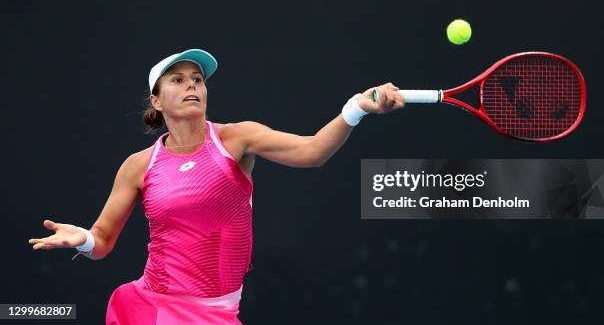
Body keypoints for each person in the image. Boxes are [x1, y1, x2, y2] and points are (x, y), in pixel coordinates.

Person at [28, 48, 405, 324]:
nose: (192, 85)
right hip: (151, 307)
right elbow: (102, 242)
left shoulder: (236, 140)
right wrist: (84, 240)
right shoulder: (139, 166)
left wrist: (356, 107)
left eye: (198, 80)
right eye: (178, 80)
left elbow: (313, 151)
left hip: (215, 314)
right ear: (156, 101)